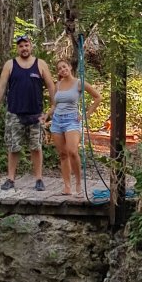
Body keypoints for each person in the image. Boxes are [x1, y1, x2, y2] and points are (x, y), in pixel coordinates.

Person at [0, 35, 56, 191]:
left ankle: (39, 179)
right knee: (13, 147)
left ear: (30, 46)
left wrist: (54, 106)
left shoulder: (40, 64)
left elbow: (51, 85)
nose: (24, 48)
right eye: (21, 46)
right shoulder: (10, 65)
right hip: (14, 113)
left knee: (36, 147)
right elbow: (1, 86)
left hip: (36, 114)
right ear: (17, 48)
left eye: (26, 45)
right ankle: (10, 179)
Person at [48, 59, 102, 197]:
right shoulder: (57, 85)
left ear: (70, 67)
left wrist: (86, 115)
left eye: (64, 67)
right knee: (63, 154)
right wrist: (46, 115)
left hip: (72, 120)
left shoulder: (79, 83)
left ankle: (78, 183)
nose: (62, 70)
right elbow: (54, 105)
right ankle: (67, 186)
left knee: (72, 151)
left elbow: (98, 97)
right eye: (59, 68)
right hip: (57, 121)